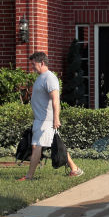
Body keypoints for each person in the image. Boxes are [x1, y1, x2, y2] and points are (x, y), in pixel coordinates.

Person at [18, 51, 83, 181]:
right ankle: (75, 169)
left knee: (36, 146)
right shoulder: (41, 77)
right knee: (57, 144)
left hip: (46, 121)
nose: (32, 67)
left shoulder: (50, 78)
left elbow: (55, 100)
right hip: (40, 119)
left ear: (42, 63)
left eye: (33, 64)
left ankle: (29, 176)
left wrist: (56, 118)